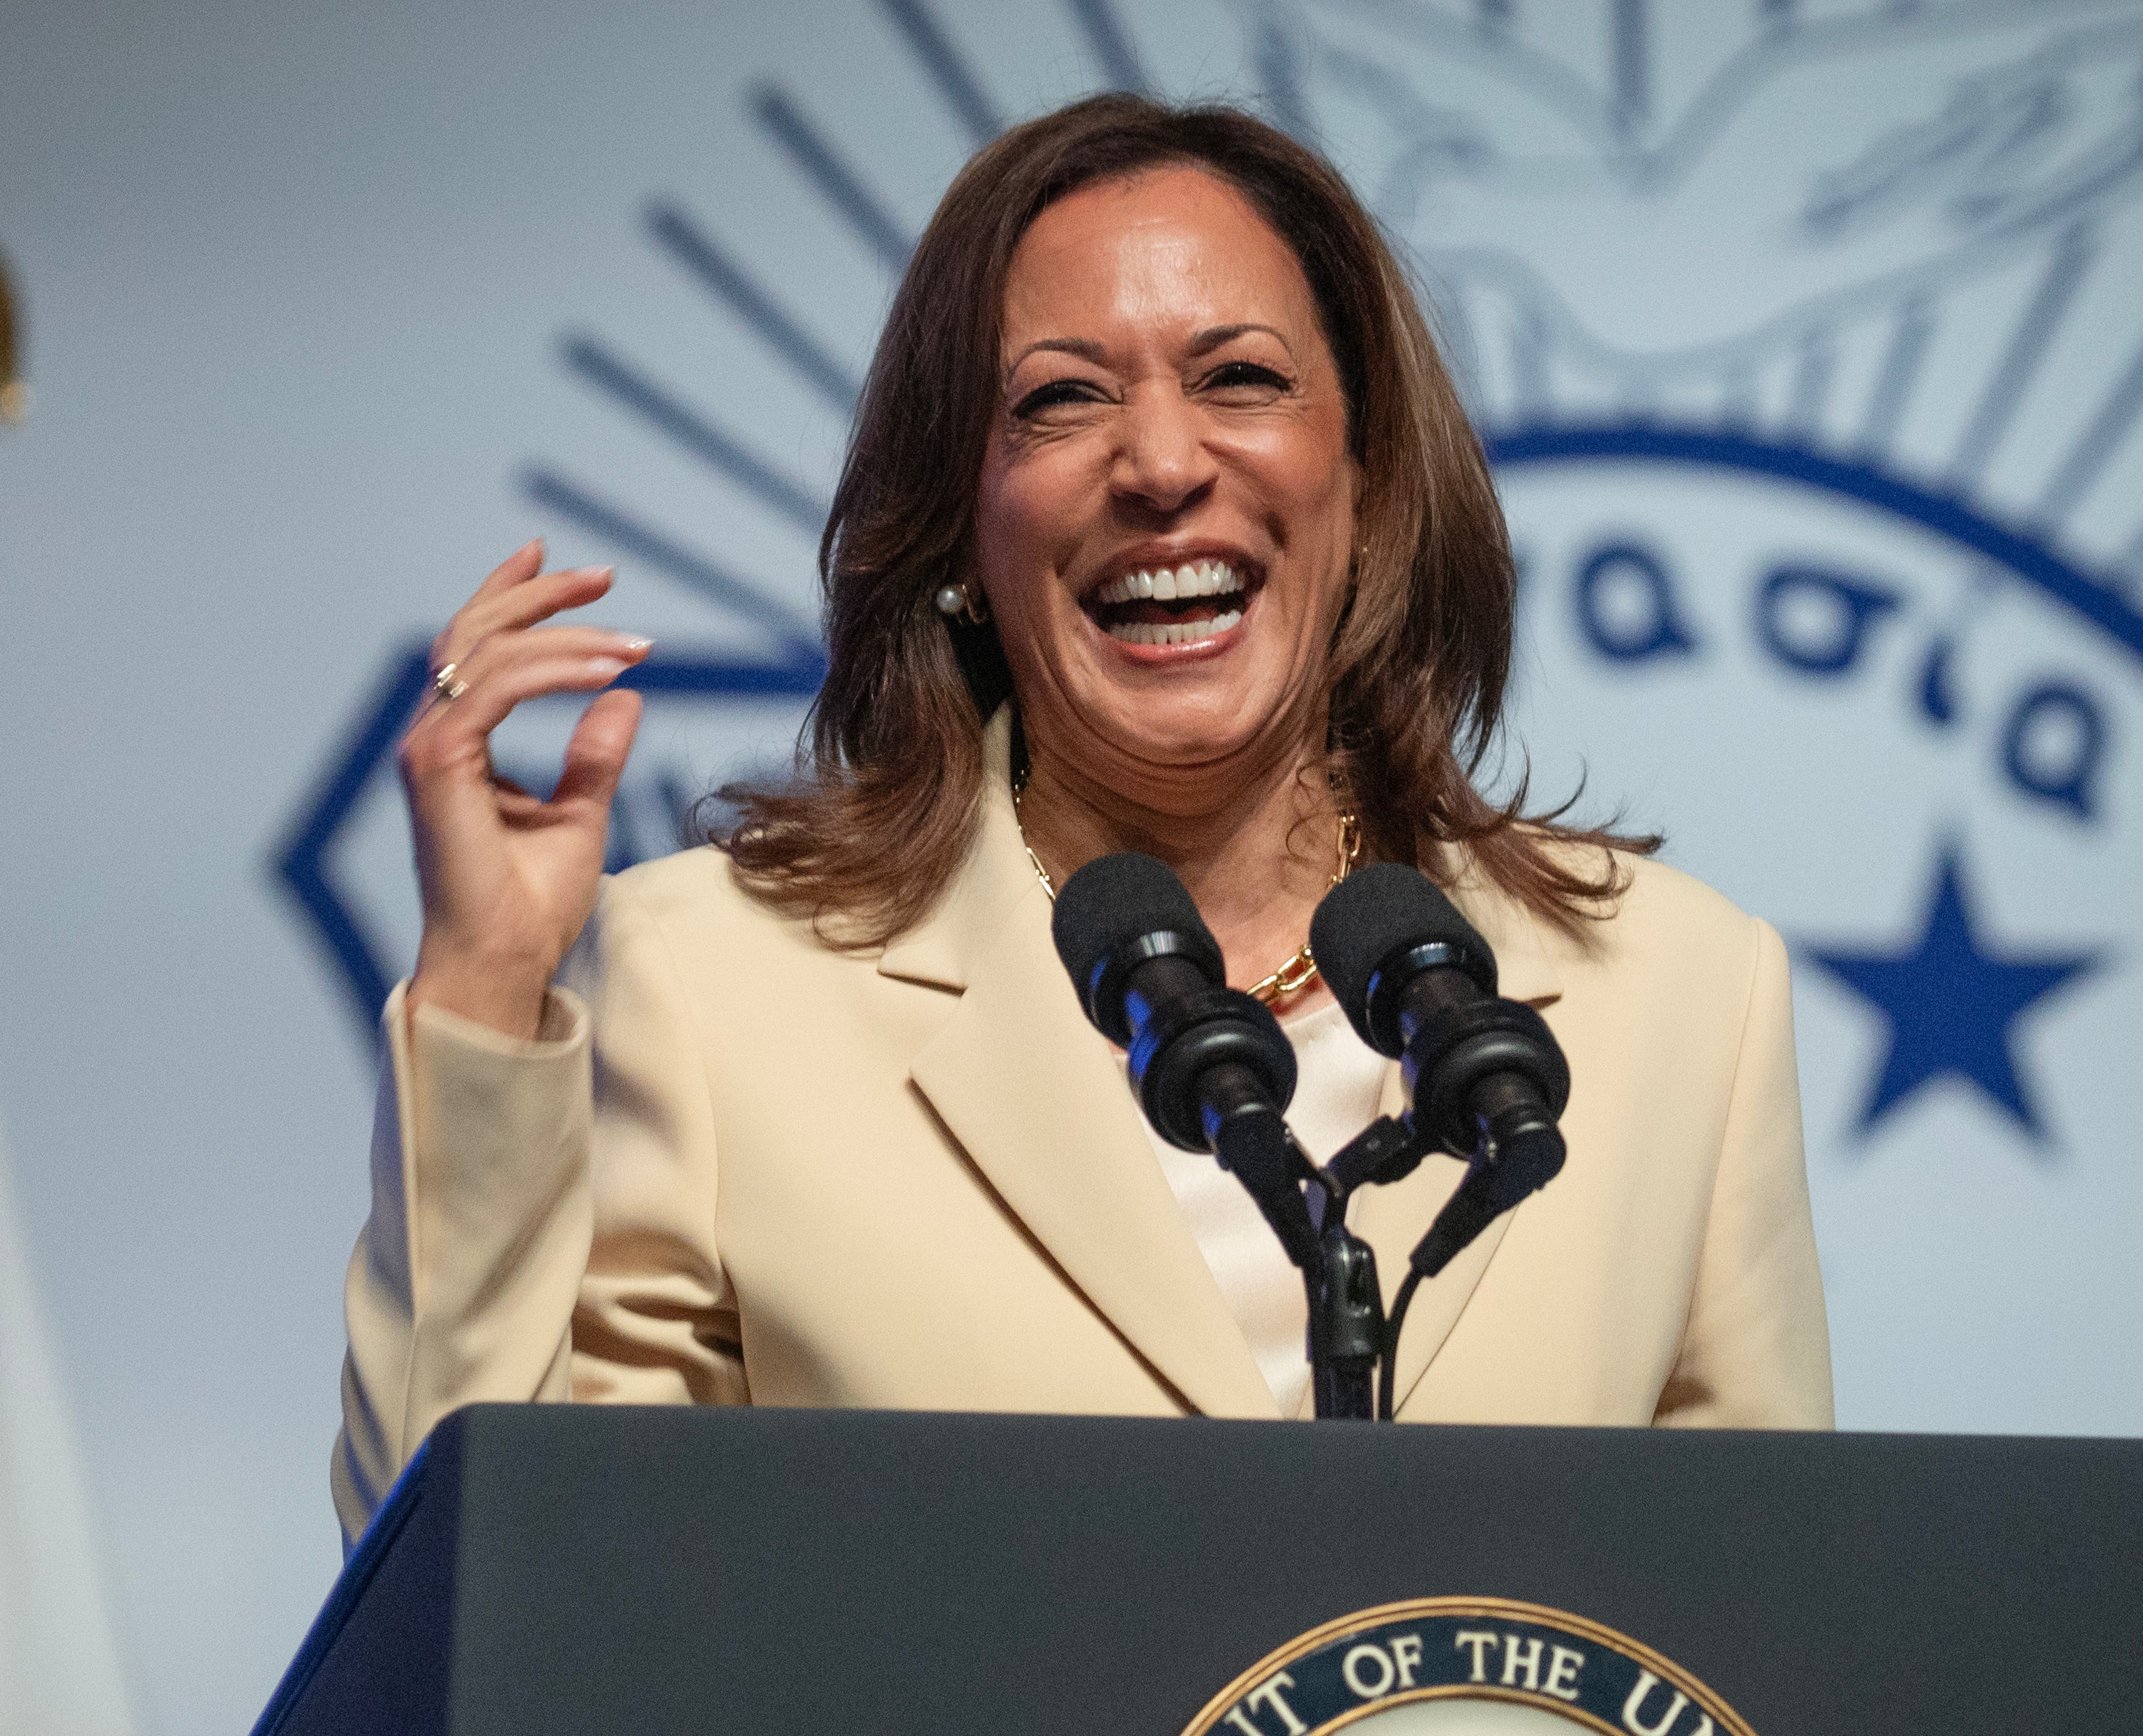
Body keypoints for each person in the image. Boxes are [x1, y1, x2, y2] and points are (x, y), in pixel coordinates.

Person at [334, 96, 1832, 1543]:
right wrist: (482, 990)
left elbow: (1778, 1651)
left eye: (1240, 377)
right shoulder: (714, 987)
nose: (1166, 464)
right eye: (1061, 400)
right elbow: (496, 1603)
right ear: (958, 534)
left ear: (1367, 481)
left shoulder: (1682, 999)